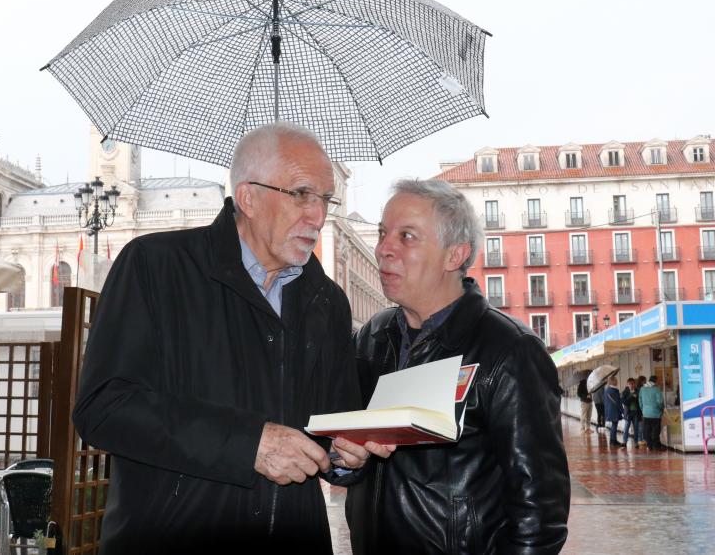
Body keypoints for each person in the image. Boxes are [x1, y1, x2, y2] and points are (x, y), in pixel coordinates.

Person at [73, 123, 390, 553]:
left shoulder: (327, 302)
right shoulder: (155, 267)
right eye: (301, 194)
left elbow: (329, 423)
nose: (317, 215)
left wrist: (344, 457)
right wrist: (249, 444)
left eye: (325, 199)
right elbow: (104, 408)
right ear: (248, 197)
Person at [346, 179, 570, 555]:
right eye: (384, 233)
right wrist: (342, 460)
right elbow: (350, 453)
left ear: (455, 256)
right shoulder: (373, 337)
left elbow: (540, 514)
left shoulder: (510, 351)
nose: (383, 248)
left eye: (407, 236)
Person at [639, 375, 666, 451]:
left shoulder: (642, 389)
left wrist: (643, 409)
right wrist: (661, 409)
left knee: (647, 430)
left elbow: (640, 401)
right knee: (655, 430)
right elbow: (660, 402)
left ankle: (649, 446)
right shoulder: (656, 389)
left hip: (646, 413)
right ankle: (656, 446)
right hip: (655, 413)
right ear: (655, 381)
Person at [604, 375, 625, 448]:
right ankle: (613, 441)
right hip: (614, 410)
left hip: (610, 410)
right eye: (615, 380)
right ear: (612, 381)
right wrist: (623, 412)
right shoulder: (613, 390)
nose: (617, 381)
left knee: (614, 425)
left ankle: (613, 441)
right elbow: (618, 402)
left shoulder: (607, 390)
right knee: (614, 426)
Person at [621, 377, 639, 446]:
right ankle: (624, 441)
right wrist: (631, 397)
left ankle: (636, 442)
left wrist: (635, 397)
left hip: (636, 412)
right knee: (626, 428)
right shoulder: (625, 392)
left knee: (636, 428)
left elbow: (639, 401)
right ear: (628, 384)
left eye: (633, 383)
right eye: (630, 384)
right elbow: (625, 402)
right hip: (628, 413)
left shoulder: (638, 391)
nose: (632, 385)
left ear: (635, 384)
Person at [635, 375, 647, 445]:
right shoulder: (641, 389)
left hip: (639, 409)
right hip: (641, 410)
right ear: (642, 381)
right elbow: (640, 400)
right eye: (645, 381)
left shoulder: (638, 389)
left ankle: (641, 439)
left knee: (641, 425)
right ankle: (641, 439)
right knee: (641, 425)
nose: (645, 382)